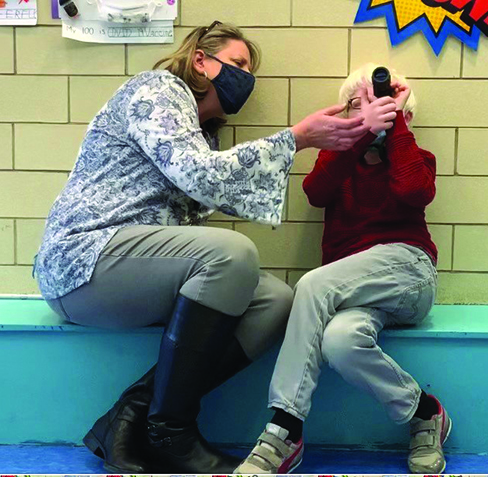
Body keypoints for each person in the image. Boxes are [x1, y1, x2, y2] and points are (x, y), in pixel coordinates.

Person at [33, 22, 369, 473]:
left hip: (129, 271)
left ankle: (132, 414)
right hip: (84, 261)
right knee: (230, 253)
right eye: (238, 64)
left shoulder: (199, 133)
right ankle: (172, 429)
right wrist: (297, 138)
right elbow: (199, 174)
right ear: (200, 61)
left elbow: (208, 180)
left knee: (274, 300)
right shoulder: (157, 90)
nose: (246, 77)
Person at [234, 64, 451, 475]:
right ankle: (425, 413)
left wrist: (395, 127)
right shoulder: (338, 158)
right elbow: (315, 193)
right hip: (351, 289)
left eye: (382, 105)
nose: (372, 112)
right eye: (360, 105)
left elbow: (414, 191)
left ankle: (285, 428)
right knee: (340, 342)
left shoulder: (415, 157)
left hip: (408, 273)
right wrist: (360, 134)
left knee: (312, 284)